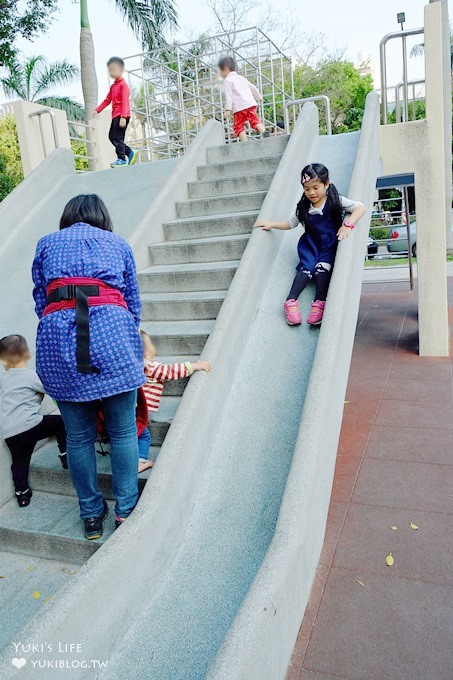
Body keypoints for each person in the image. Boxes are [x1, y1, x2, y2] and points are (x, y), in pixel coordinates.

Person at [32, 194, 145, 539]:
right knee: (123, 431)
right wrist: (123, 336)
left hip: (59, 340)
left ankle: (91, 516)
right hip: (110, 331)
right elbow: (133, 302)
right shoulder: (117, 243)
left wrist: (62, 323)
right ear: (102, 217)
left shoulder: (47, 243)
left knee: (78, 437)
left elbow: (41, 298)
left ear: (68, 217)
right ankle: (126, 510)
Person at [254, 163, 366, 326]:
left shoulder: (335, 200)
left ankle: (319, 302)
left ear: (327, 184)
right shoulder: (303, 207)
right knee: (306, 269)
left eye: (316, 187)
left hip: (328, 243)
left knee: (321, 268)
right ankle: (290, 301)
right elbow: (290, 224)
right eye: (307, 189)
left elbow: (360, 208)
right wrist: (271, 224)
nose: (312, 192)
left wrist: (347, 224)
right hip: (310, 244)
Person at [0, 335, 67, 507]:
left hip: (10, 432)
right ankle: (66, 456)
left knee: (19, 462)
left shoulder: (4, 379)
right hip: (31, 425)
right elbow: (49, 388)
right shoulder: (29, 375)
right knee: (59, 422)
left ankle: (22, 494)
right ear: (27, 353)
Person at [138, 330, 211, 471]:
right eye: (150, 343)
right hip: (138, 413)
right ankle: (139, 461)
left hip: (128, 410)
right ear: (146, 349)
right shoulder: (150, 367)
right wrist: (195, 366)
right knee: (143, 436)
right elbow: (171, 371)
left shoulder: (132, 366)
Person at [93, 56, 137, 168]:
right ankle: (129, 152)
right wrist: (98, 110)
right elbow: (107, 100)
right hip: (115, 116)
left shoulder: (123, 85)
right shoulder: (113, 87)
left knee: (118, 138)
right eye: (110, 70)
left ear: (121, 70)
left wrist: (123, 117)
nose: (112, 72)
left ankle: (121, 159)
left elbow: (125, 101)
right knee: (111, 136)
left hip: (122, 115)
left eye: (114, 69)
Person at [218, 56, 269, 142]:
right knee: (254, 120)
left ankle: (245, 142)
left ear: (226, 69)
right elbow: (252, 87)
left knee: (239, 126)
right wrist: (258, 97)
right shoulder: (241, 78)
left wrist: (228, 109)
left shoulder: (228, 80)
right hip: (250, 104)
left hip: (239, 107)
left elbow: (229, 96)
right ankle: (263, 131)